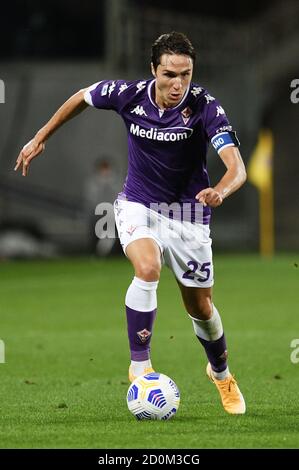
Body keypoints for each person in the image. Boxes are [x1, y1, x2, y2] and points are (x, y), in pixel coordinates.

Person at [15, 32, 247, 414]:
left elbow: (236, 168)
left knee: (202, 308)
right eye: (170, 74)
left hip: (189, 215)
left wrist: (219, 191)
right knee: (147, 267)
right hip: (139, 204)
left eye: (186, 75)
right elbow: (82, 96)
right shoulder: (129, 94)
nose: (178, 84)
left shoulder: (206, 107)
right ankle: (140, 366)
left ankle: (221, 373)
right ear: (153, 69)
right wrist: (40, 137)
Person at [83, 157, 119, 255]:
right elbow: (91, 198)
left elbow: (117, 197)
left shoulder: (115, 182)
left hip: (112, 214)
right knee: (95, 236)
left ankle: (111, 254)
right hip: (97, 214)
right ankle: (94, 253)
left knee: (112, 235)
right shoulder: (93, 183)